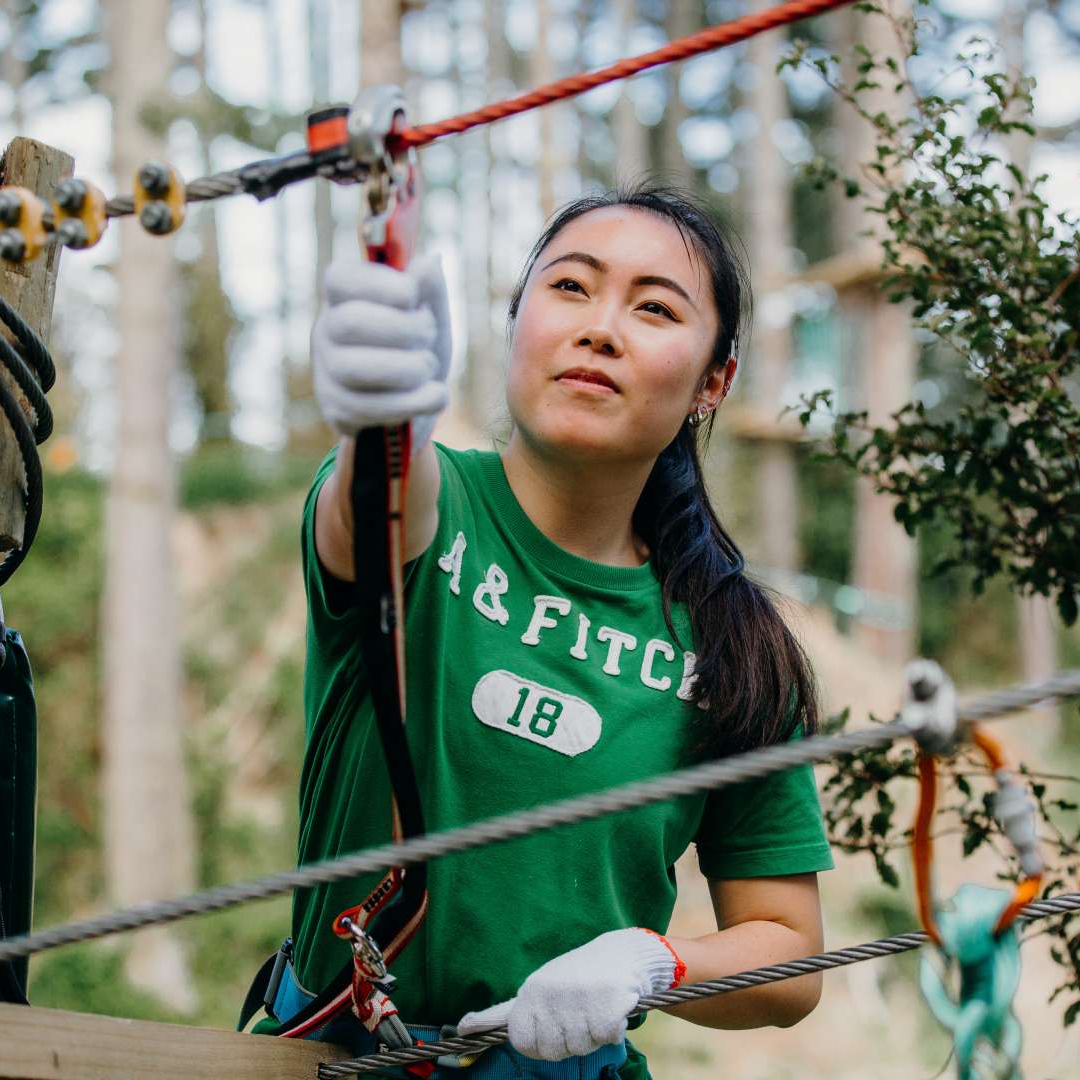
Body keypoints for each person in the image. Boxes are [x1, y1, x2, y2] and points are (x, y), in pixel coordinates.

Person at [287, 183, 833, 1078]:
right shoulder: (438, 514)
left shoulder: (737, 647)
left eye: (654, 308)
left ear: (712, 382)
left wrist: (652, 964)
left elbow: (788, 952)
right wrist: (386, 413)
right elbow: (379, 502)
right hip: (332, 1056)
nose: (601, 329)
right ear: (516, 324)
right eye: (571, 288)